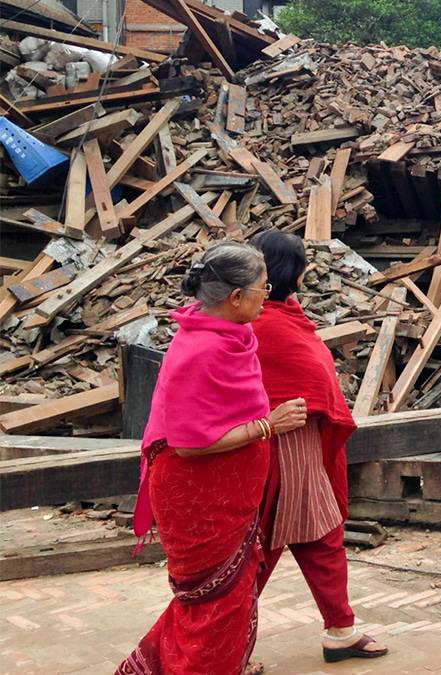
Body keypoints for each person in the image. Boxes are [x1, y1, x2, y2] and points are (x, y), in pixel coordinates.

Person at [117, 242, 308, 675]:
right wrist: (269, 426)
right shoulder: (200, 351)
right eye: (264, 288)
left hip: (229, 497)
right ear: (236, 297)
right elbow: (190, 443)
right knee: (215, 605)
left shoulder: (230, 336)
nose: (271, 295)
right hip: (197, 498)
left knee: (227, 600)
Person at [249, 229, 389, 664]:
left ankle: (341, 629)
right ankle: (223, 644)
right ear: (299, 274)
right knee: (262, 549)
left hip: (298, 445)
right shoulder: (262, 324)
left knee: (320, 537)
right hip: (278, 447)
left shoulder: (279, 316)